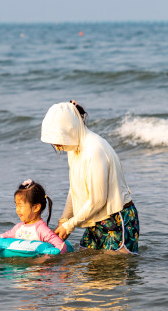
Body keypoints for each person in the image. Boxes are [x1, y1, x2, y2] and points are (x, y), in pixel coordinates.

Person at [40, 100, 139, 254]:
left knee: (115, 273)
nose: (57, 146)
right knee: (91, 273)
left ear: (70, 129)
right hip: (95, 219)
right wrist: (64, 220)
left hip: (117, 219)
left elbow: (97, 200)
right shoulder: (74, 147)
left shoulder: (94, 150)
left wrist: (70, 225)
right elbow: (75, 188)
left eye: (58, 139)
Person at [0, 179, 67, 253]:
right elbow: (5, 236)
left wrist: (48, 257)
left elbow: (61, 245)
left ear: (36, 208)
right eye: (16, 205)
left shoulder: (41, 229)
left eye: (20, 206)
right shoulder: (18, 227)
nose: (17, 210)